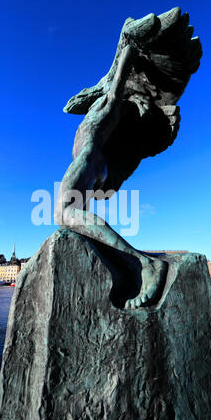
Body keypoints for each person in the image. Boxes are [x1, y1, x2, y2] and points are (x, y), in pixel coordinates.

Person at [54, 45, 168, 309]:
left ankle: (144, 264)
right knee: (76, 221)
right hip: (93, 163)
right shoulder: (96, 114)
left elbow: (115, 88)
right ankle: (121, 270)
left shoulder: (108, 106)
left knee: (62, 212)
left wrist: (127, 52)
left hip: (90, 159)